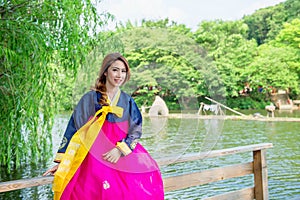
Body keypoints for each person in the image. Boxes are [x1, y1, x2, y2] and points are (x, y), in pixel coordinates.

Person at [43, 52, 164, 200]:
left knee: (140, 183)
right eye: (115, 70)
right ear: (105, 72)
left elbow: (136, 130)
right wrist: (62, 161)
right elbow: (74, 128)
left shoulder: (128, 100)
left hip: (119, 152)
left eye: (123, 71)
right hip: (93, 154)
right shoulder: (90, 98)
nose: (119, 75)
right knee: (87, 191)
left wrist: (120, 150)